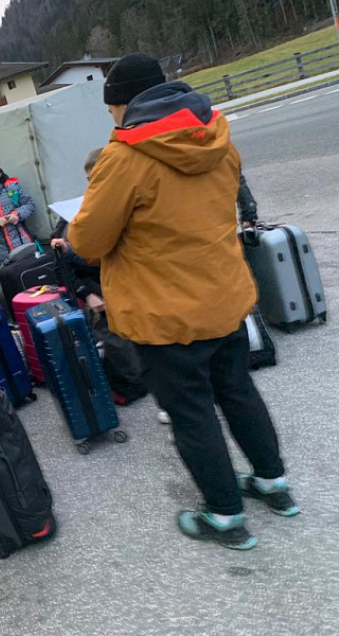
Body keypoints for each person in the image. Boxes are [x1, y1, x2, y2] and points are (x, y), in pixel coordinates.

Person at [67, 53, 298, 550]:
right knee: (239, 392)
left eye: (111, 107)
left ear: (124, 103)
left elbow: (86, 241)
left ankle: (225, 516)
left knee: (192, 414)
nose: (112, 117)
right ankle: (273, 483)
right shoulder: (214, 134)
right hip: (224, 297)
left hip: (166, 315)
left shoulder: (125, 157)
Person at [51, 147, 147, 405]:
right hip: (98, 284)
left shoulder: (130, 203)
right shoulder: (73, 216)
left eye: (97, 177)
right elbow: (68, 265)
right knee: (110, 331)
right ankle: (132, 382)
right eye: (89, 179)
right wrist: (87, 292)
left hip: (124, 282)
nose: (93, 184)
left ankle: (140, 379)